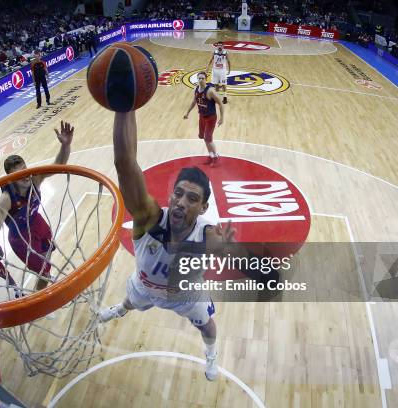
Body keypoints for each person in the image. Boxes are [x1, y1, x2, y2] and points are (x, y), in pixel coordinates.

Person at [98, 112, 278, 381]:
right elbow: (125, 164)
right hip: (145, 287)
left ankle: (212, 354)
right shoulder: (148, 219)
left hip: (187, 297)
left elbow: (234, 253)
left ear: (204, 207)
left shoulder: (207, 235)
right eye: (178, 193)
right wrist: (126, 107)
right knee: (129, 302)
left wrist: (263, 274)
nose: (181, 202)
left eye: (192, 198)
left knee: (208, 328)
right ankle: (120, 310)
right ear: (171, 195)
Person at [0, 121, 74, 292]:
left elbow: (59, 165)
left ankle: (43, 272)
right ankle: (40, 299)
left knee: (48, 252)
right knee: (45, 274)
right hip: (21, 237)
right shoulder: (6, 198)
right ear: (9, 178)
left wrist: (66, 145)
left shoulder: (35, 179)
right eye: (18, 174)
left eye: (24, 169)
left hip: (36, 222)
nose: (24, 176)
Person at [183, 71, 224, 166]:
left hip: (211, 117)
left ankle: (216, 156)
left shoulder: (210, 91)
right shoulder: (196, 89)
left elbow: (221, 104)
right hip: (201, 116)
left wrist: (222, 118)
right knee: (202, 136)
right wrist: (187, 113)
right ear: (197, 79)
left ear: (206, 79)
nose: (201, 80)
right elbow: (194, 102)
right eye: (199, 78)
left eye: (203, 78)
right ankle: (210, 156)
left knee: (208, 139)